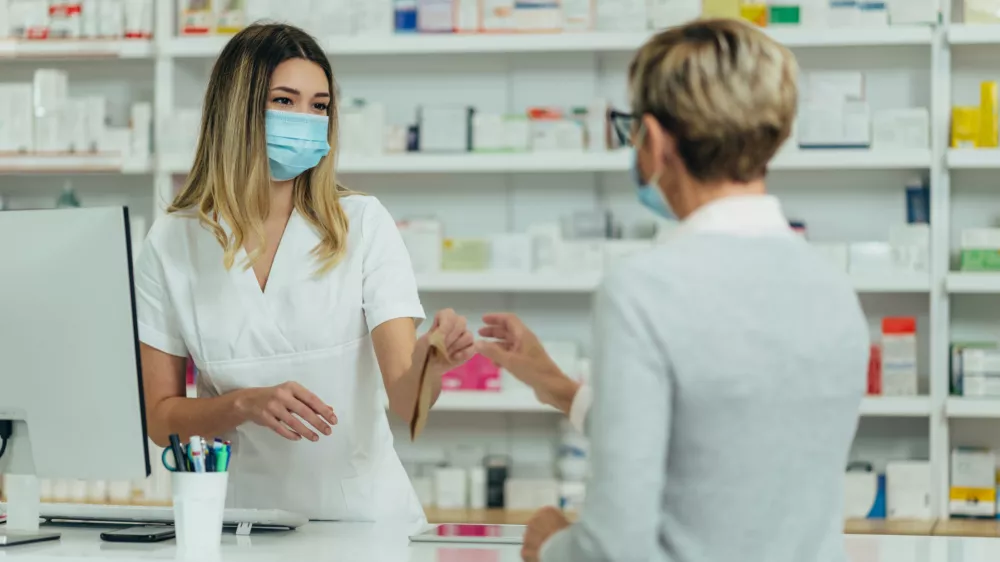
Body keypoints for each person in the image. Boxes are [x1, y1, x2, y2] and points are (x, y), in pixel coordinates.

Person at [477, 19, 869, 562]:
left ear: (656, 141)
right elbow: (725, 442)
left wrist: (550, 547)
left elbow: (613, 549)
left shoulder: (643, 291)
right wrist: (556, 386)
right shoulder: (834, 291)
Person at [135, 24, 474, 524]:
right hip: (240, 523)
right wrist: (241, 405)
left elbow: (407, 399)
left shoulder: (362, 224)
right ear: (237, 110)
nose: (306, 119)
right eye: (284, 101)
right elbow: (161, 421)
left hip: (365, 522)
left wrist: (431, 360)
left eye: (319, 106)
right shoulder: (173, 241)